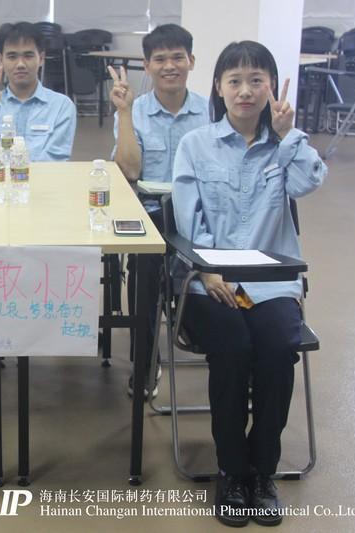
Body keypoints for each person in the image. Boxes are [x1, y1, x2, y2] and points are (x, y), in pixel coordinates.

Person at [172, 41, 326, 527]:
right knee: (234, 348)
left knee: (279, 348)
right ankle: (231, 471)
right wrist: (207, 269)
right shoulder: (195, 145)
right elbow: (188, 219)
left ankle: (262, 471)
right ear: (218, 87)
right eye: (234, 80)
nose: (245, 90)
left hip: (272, 286)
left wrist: (288, 135)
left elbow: (308, 183)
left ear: (271, 88)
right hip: (212, 282)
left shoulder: (284, 145)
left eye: (256, 80)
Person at [109, 23, 209, 398]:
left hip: (200, 218)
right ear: (147, 65)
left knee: (220, 266)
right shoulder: (134, 111)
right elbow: (129, 171)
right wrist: (123, 114)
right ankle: (145, 365)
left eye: (177, 57)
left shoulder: (211, 112)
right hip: (151, 215)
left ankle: (221, 345)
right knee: (145, 269)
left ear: (191, 61)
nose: (170, 66)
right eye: (160, 59)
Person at [0, 21, 77, 163]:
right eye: (12, 57)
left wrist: (15, 171)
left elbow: (55, 161)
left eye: (28, 56)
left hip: (37, 178)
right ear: (1, 60)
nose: (20, 64)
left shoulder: (61, 106)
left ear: (41, 59)